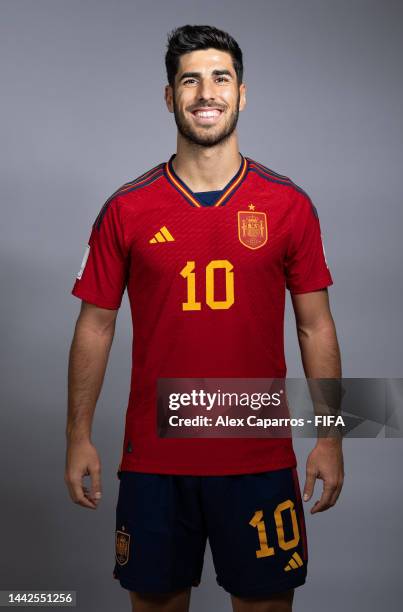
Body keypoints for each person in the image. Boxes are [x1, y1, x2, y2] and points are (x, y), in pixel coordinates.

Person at [65, 24, 344, 612]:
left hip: (258, 456)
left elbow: (315, 325)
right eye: (189, 80)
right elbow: (95, 326)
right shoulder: (126, 208)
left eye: (220, 78)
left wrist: (331, 436)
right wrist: (78, 437)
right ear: (170, 97)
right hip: (155, 460)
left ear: (242, 93)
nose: (205, 92)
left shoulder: (287, 205)